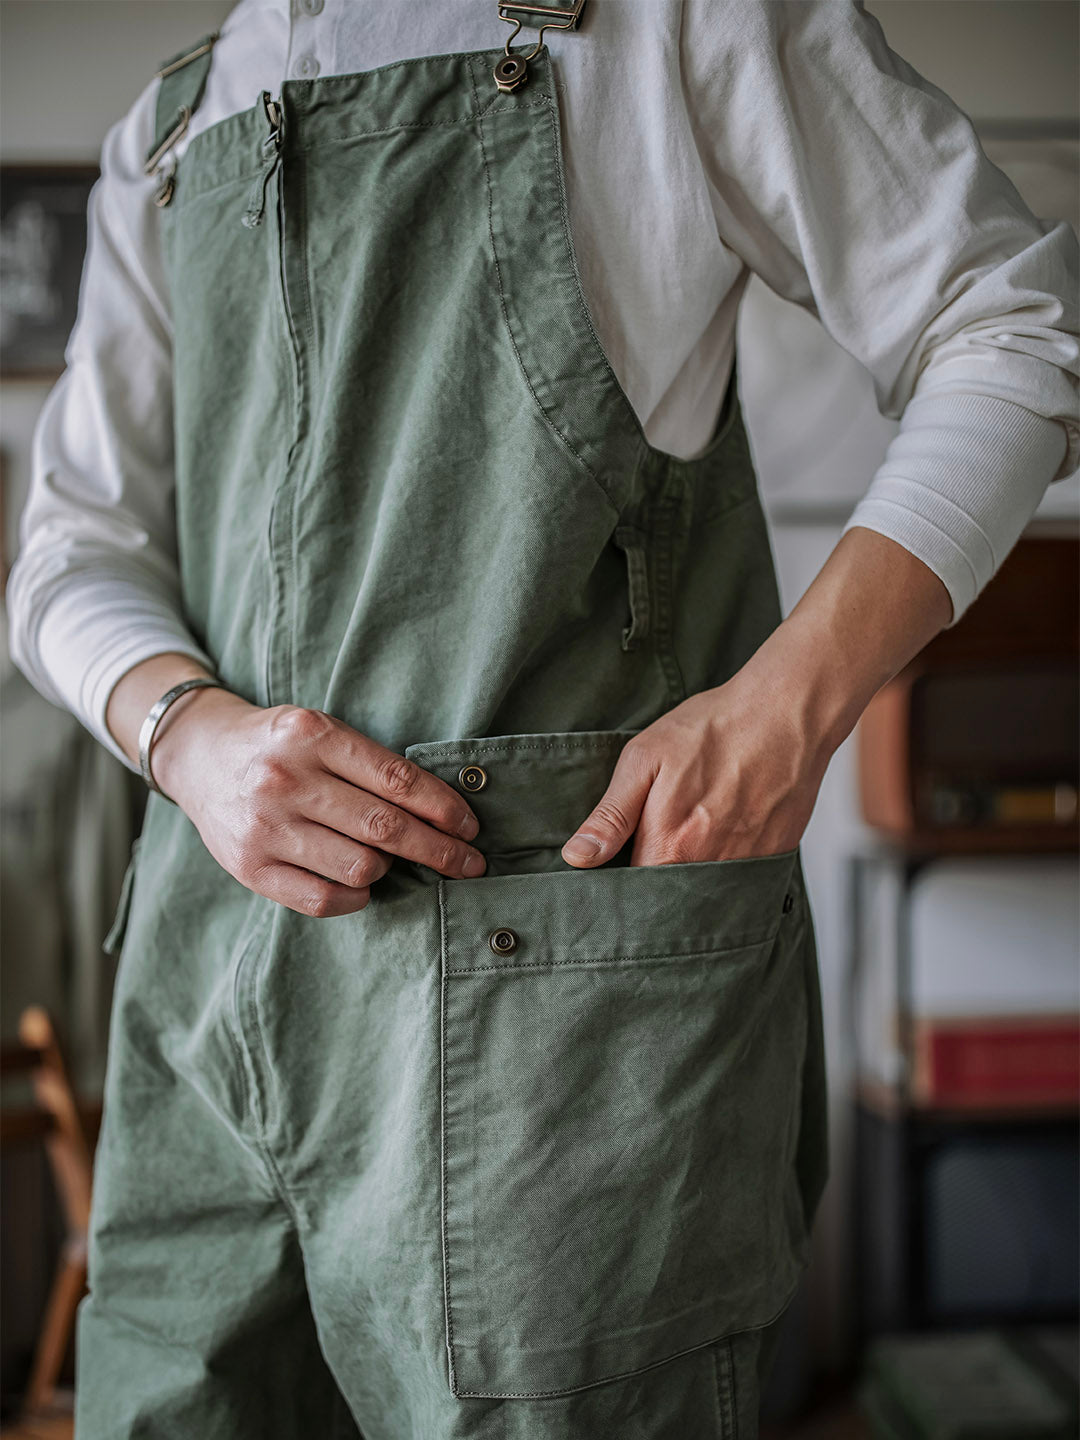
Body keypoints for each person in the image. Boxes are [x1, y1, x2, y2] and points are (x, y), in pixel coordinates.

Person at [7, 1, 1077, 1436]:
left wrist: (792, 702)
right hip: (209, 1003)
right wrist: (185, 733)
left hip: (554, 1026)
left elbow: (1012, 321)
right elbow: (72, 549)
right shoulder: (173, 128)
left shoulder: (672, 25)